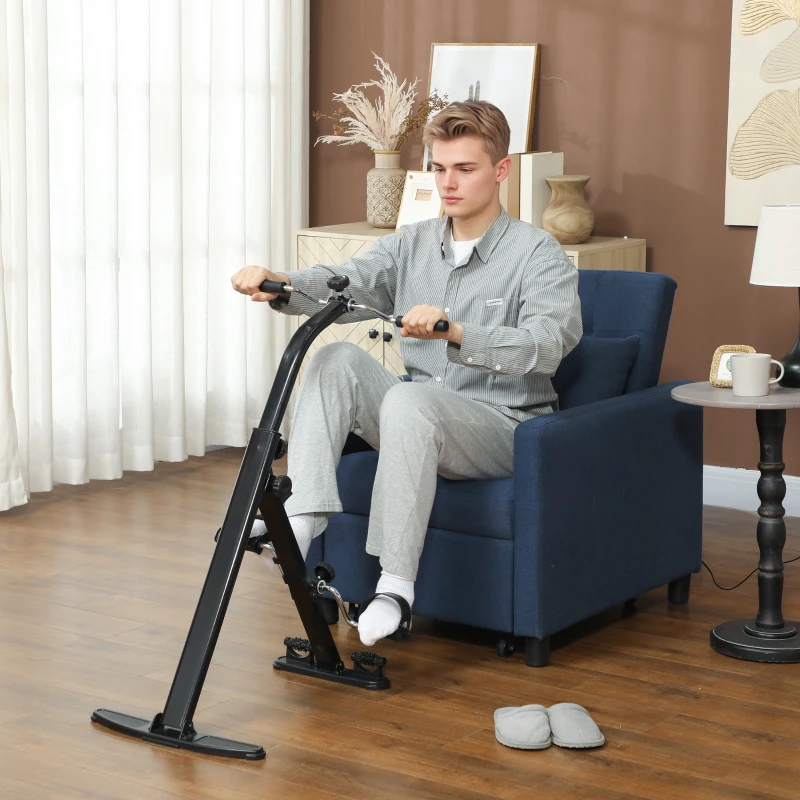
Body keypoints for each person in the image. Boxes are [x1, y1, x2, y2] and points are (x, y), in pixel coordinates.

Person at [230, 100, 582, 647]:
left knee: (409, 400)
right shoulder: (412, 244)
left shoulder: (539, 253)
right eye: (439, 169)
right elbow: (346, 280)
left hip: (504, 427)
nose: (449, 183)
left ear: (501, 169)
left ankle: (395, 586)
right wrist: (281, 282)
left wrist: (456, 332)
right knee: (334, 359)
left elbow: (547, 347)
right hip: (415, 414)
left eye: (465, 168)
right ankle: (301, 521)